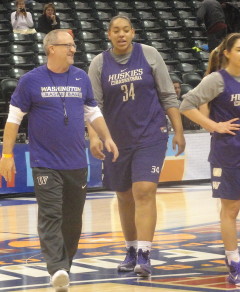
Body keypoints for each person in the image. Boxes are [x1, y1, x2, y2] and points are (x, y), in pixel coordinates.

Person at [0, 29, 118, 291]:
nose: (73, 49)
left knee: (73, 220)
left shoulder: (81, 78)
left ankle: (64, 265)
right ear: (51, 48)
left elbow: (92, 111)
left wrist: (106, 136)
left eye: (74, 45)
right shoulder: (31, 81)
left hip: (77, 162)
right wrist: (6, 155)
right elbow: (13, 119)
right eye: (68, 45)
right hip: (45, 163)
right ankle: (56, 268)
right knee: (51, 215)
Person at [87, 15, 185, 277]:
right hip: (116, 140)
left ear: (133, 32)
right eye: (116, 31)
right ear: (108, 34)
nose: (121, 35)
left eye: (126, 30)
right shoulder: (99, 63)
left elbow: (167, 94)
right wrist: (95, 137)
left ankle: (144, 253)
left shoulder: (150, 54)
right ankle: (130, 250)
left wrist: (178, 129)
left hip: (150, 134)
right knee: (124, 195)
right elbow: (93, 106)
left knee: (144, 190)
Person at [180, 33, 240, 286]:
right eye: (239, 50)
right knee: (231, 210)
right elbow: (187, 104)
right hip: (228, 156)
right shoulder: (216, 80)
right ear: (227, 53)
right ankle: (235, 264)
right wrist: (214, 126)